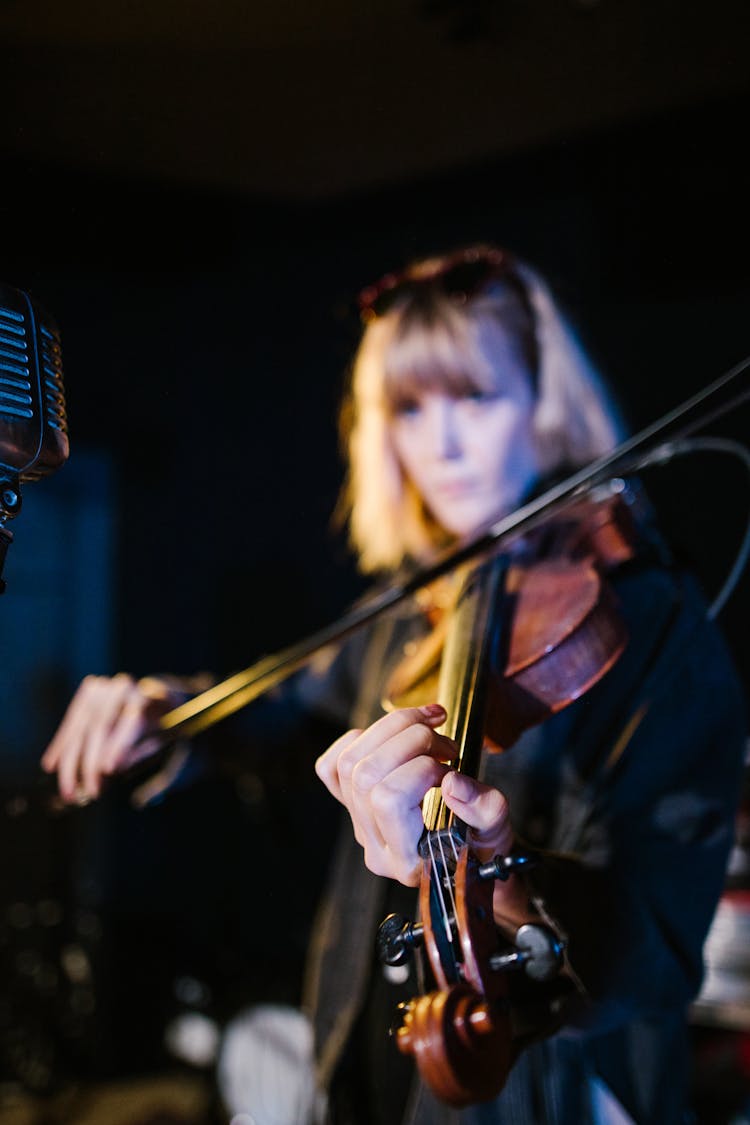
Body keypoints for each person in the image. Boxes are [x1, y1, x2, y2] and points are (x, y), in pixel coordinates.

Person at [42, 245, 747, 1124]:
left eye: (476, 397)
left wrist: (505, 874)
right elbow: (287, 710)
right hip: (374, 1058)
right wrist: (170, 712)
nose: (440, 443)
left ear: (542, 405)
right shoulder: (412, 606)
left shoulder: (650, 621)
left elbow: (656, 946)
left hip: (547, 1088)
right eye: (410, 408)